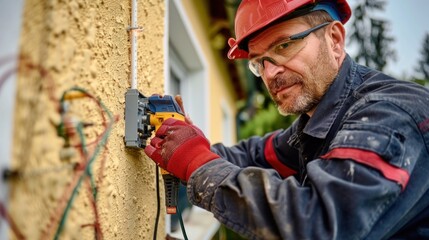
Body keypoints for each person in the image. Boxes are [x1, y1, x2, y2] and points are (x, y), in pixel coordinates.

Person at [144, 0, 429, 239]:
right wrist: (185, 145)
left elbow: (318, 223)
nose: (270, 74)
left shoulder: (389, 116)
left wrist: (197, 162)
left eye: (284, 46)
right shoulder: (318, 121)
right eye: (259, 62)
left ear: (335, 40)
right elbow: (256, 157)